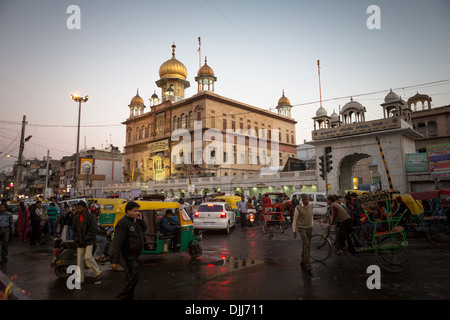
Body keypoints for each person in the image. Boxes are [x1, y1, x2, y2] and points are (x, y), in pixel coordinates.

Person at [112, 201, 147, 300]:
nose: (137, 213)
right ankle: (122, 296)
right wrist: (115, 260)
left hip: (135, 255)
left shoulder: (135, 221)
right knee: (133, 277)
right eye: (135, 211)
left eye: (138, 211)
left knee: (132, 278)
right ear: (128, 211)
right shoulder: (123, 223)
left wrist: (141, 220)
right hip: (127, 255)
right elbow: (117, 241)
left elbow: (145, 228)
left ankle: (128, 297)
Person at [72, 201, 102, 284]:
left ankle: (98, 272)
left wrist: (86, 238)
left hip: (89, 241)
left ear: (84, 208)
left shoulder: (91, 217)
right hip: (79, 241)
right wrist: (76, 239)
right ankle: (80, 279)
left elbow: (93, 229)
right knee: (79, 262)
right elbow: (74, 230)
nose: (78, 209)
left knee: (88, 257)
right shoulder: (76, 218)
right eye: (77, 208)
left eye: (80, 208)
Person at [292, 194, 314, 271]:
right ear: (302, 200)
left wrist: (312, 225)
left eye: (308, 199)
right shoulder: (298, 208)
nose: (307, 201)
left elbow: (311, 217)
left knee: (306, 245)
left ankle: (303, 259)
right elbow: (294, 220)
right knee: (307, 244)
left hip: (309, 228)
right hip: (301, 228)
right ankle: (308, 263)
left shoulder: (311, 206)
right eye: (306, 200)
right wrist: (294, 230)